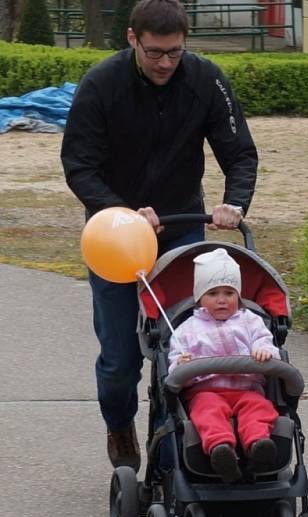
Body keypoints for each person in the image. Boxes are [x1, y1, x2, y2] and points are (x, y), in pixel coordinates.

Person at [61, 0, 258, 473]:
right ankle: (119, 423)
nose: (165, 63)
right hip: (113, 235)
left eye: (174, 52)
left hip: (180, 225)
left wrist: (235, 202)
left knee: (186, 341)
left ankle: (182, 443)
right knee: (120, 357)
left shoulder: (206, 79)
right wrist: (120, 210)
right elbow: (79, 165)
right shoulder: (101, 85)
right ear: (132, 39)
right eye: (154, 53)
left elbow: (240, 153)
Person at [168, 248, 281, 483]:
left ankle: (258, 446)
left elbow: (264, 341)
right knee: (208, 412)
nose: (222, 299)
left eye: (229, 293)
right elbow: (175, 362)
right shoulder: (187, 329)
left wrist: (264, 351)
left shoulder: (251, 321)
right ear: (200, 298)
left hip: (247, 389)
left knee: (260, 410)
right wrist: (181, 364)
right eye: (213, 293)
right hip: (206, 391)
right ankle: (221, 450)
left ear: (238, 297)